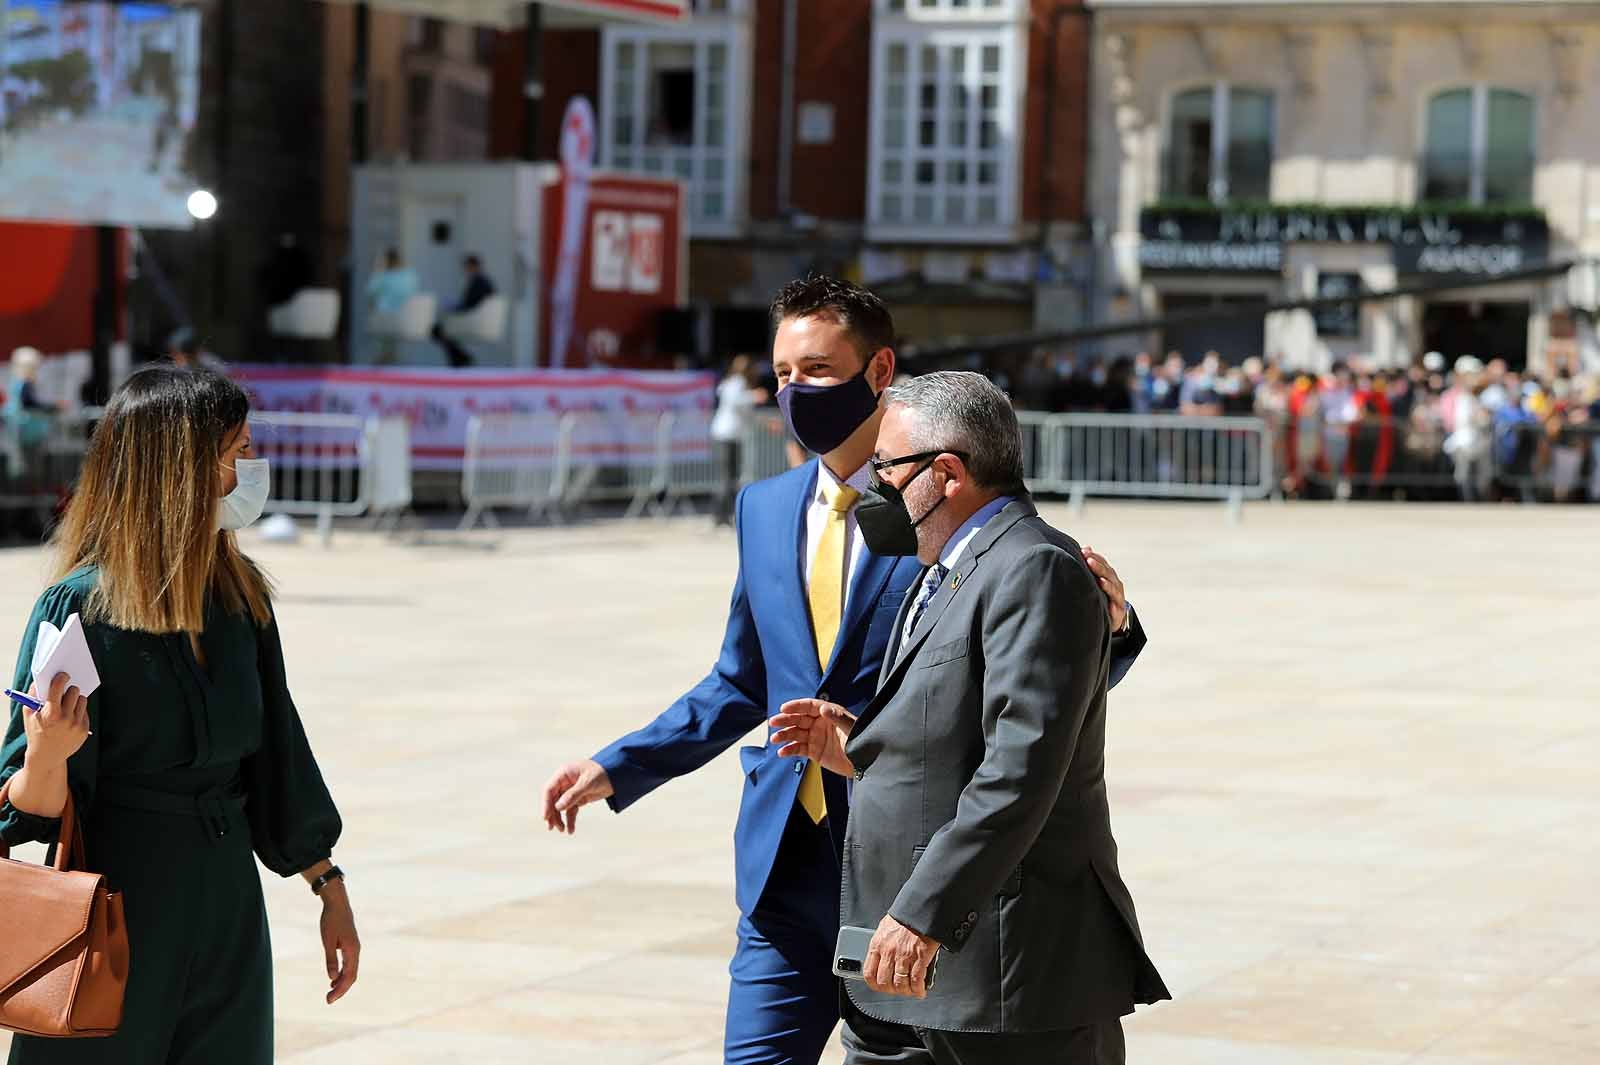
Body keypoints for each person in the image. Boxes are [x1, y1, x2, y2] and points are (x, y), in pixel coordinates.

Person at [539, 276, 1148, 1065]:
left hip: (918, 865)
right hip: (787, 860)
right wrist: (620, 764)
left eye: (817, 370)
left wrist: (1117, 628)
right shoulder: (764, 508)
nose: (795, 391)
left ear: (880, 369)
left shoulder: (947, 506)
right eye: (783, 373)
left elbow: (1039, 678)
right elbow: (739, 678)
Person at [770, 371, 1169, 1065]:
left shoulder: (1033, 567)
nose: (875, 487)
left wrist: (923, 911)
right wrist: (861, 745)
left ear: (947, 473)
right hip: (904, 979)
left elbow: (1018, 769)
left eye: (887, 467)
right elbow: (953, 726)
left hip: (1003, 982)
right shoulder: (942, 567)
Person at [0, 367, 361, 1064]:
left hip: (227, 905)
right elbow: (28, 811)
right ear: (178, 471)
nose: (251, 470)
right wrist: (47, 753)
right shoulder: (80, 608)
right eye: (236, 453)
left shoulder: (239, 597)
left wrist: (328, 883)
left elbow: (277, 755)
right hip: (118, 909)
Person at [710, 355, 768, 528]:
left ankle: (726, 514)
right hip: (726, 435)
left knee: (732, 478)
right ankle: (721, 515)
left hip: (734, 435)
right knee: (727, 478)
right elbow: (736, 402)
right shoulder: (736, 383)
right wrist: (754, 396)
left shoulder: (736, 384)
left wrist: (765, 422)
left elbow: (746, 412)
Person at [432, 254, 496, 368]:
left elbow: (469, 304)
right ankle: (460, 357)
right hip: (472, 317)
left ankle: (460, 358)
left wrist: (452, 308)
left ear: (472, 266)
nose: (465, 269)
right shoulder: (481, 280)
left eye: (467, 266)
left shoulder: (479, 281)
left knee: (437, 329)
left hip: (473, 320)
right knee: (440, 329)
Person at [365, 248, 421, 364]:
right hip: (407, 318)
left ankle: (385, 356)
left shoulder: (383, 276)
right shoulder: (411, 275)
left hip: (386, 318)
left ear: (387, 261)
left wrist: (379, 270)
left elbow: (370, 291)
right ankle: (389, 355)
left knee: (378, 319)